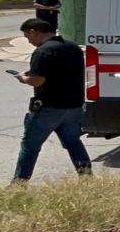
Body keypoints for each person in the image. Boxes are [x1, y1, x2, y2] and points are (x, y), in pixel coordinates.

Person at [11, 18, 92, 183]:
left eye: (28, 37)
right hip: (74, 105)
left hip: (49, 108)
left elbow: (37, 81)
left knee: (30, 146)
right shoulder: (73, 47)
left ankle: (19, 183)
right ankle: (87, 178)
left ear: (34, 31)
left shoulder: (42, 51)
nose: (29, 41)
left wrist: (22, 78)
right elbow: (61, 71)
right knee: (73, 142)